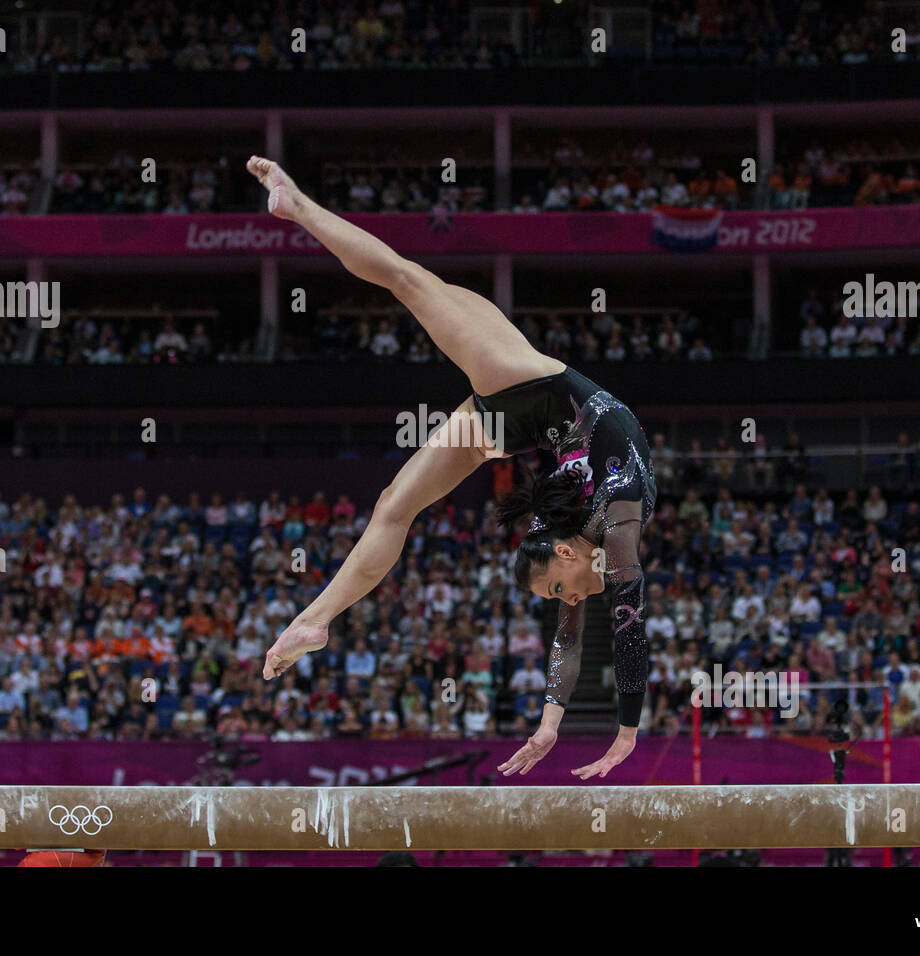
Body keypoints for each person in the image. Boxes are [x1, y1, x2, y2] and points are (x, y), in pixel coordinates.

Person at [248, 156, 655, 779]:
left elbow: (570, 641)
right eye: (556, 592)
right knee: (409, 282)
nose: (563, 603)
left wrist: (549, 723)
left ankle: (312, 622)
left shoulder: (581, 551)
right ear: (570, 557)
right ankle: (298, 205)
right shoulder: (618, 532)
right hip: (530, 386)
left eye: (552, 593)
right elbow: (628, 628)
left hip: (528, 421)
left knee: (394, 503)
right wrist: (626, 732)